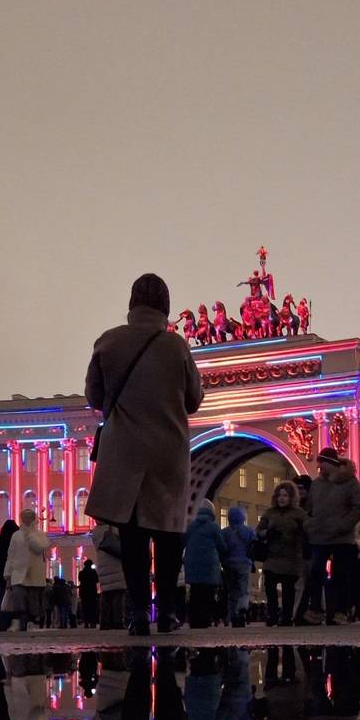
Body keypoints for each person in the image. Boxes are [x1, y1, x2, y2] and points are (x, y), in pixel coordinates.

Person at [85, 272, 204, 637]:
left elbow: (94, 396)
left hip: (125, 452)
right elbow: (194, 399)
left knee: (132, 538)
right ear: (165, 306)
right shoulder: (176, 346)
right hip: (167, 452)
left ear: (132, 303)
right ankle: (167, 613)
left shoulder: (108, 342)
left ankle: (138, 614)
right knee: (168, 535)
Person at [303, 447, 360, 625]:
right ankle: (315, 610)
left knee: (341, 575)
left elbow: (358, 509)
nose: (319, 467)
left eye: (321, 463)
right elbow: (308, 509)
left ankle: (341, 611)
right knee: (316, 573)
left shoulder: (350, 482)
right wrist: (309, 524)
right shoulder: (316, 484)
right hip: (319, 536)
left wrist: (343, 526)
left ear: (331, 463)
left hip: (341, 537)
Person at [255, 479, 308, 627]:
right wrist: (267, 533)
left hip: (291, 557)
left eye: (285, 495)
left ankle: (286, 617)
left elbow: (308, 530)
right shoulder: (270, 513)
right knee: (270, 587)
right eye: (279, 495)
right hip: (272, 557)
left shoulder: (299, 513)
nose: (282, 498)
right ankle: (272, 615)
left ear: (291, 497)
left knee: (288, 590)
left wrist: (300, 531)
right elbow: (258, 531)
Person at [181, 500, 227, 629]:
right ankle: (205, 619)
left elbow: (183, 541)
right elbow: (222, 546)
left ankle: (194, 620)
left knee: (195, 592)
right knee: (208, 593)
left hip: (192, 564)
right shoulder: (214, 527)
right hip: (209, 565)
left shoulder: (191, 526)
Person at [1, 509, 48, 630]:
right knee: (18, 597)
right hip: (18, 572)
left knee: (33, 602)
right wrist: (8, 574)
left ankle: (31, 622)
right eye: (24, 517)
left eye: (29, 517)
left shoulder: (40, 534)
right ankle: (19, 621)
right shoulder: (16, 535)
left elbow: (39, 548)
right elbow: (11, 555)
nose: (26, 519)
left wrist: (29, 535)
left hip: (34, 573)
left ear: (33, 519)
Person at [221, 505, 255, 628]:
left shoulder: (224, 532)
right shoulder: (249, 531)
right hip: (245, 563)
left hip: (229, 564)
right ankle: (242, 608)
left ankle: (233, 615)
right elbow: (253, 547)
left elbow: (222, 548)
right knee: (243, 589)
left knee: (232, 591)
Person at [91, 523, 127, 630]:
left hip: (102, 566)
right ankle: (118, 621)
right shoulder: (113, 528)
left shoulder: (95, 531)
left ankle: (104, 621)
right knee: (118, 595)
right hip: (116, 566)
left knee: (106, 595)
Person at [291, 474, 314, 622]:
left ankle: (311, 612)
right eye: (297, 488)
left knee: (311, 582)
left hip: (310, 550)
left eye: (302, 488)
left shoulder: (314, 507)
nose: (300, 491)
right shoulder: (292, 508)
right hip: (296, 551)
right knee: (299, 584)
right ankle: (296, 614)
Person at [0, 518, 18, 626]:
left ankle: (2, 621)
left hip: (1, 571)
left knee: (1, 596)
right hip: (16, 572)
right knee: (15, 597)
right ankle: (14, 621)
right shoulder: (17, 541)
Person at [78, 558, 100, 628]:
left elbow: (80, 579)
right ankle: (93, 623)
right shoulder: (93, 572)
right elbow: (97, 580)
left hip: (84, 592)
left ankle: (86, 623)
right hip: (92, 592)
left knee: (85, 608)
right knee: (93, 608)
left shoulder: (81, 572)